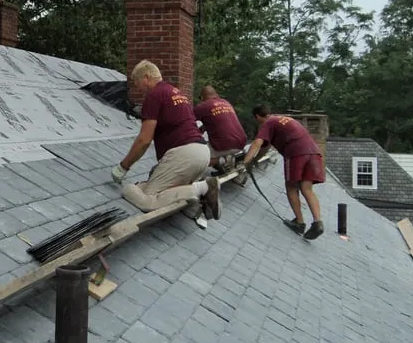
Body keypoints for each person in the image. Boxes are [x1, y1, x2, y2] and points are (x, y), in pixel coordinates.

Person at [112, 60, 220, 224]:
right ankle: (198, 196)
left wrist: (123, 166)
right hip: (202, 153)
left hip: (184, 154)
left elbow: (144, 139)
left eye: (137, 82)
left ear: (146, 77)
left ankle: (202, 188)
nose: (137, 88)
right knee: (167, 192)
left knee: (145, 198)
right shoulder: (176, 92)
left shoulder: (154, 95)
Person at [242, 104, 325, 240]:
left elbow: (257, 143)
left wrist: (246, 162)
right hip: (313, 152)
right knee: (307, 188)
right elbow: (265, 147)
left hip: (296, 153)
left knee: (291, 186)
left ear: (257, 117)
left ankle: (299, 223)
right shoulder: (282, 119)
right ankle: (318, 222)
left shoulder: (268, 123)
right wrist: (256, 159)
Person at [194, 85, 248, 171]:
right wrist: (202, 129)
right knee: (214, 146)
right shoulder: (226, 103)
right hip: (241, 143)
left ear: (202, 97)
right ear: (217, 95)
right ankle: (227, 163)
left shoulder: (203, 106)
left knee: (195, 158)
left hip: (224, 145)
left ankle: (223, 160)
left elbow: (188, 120)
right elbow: (218, 122)